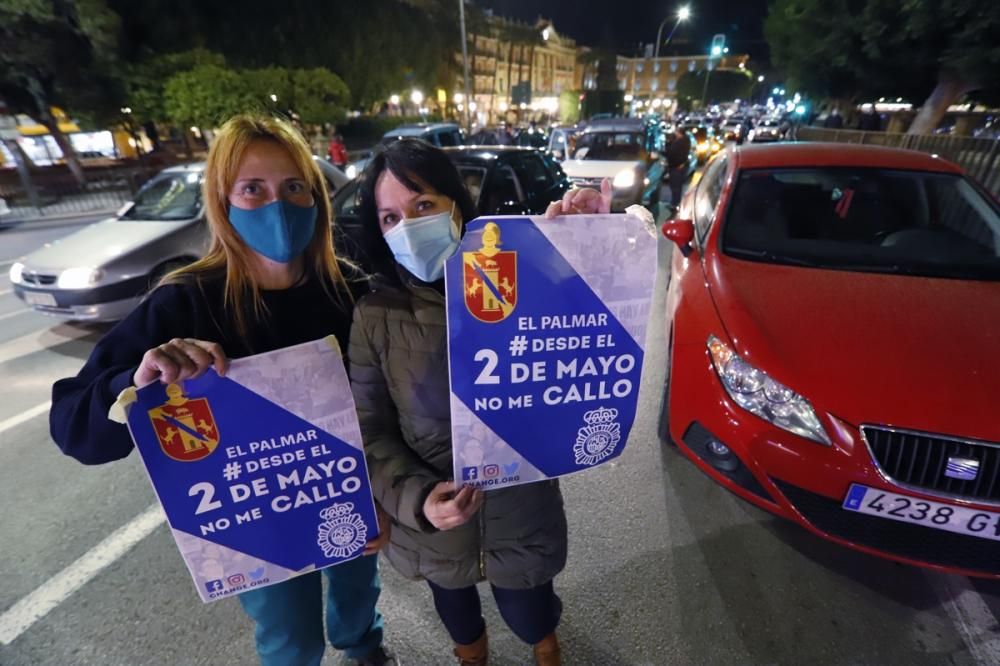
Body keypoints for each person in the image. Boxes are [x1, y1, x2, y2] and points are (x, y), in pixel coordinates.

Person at [49, 113, 397, 666]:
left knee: (358, 592)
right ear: (222, 201)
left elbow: (397, 397)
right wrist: (136, 383)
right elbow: (73, 427)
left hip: (348, 491)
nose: (277, 205)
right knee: (289, 634)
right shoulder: (183, 302)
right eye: (252, 189)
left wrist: (393, 492)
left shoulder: (352, 292)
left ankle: (365, 647)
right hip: (253, 513)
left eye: (293, 187)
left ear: (317, 198)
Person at [348, 138, 610, 666]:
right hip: (434, 532)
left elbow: (590, 332)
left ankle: (545, 646)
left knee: (532, 613)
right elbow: (369, 431)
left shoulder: (524, 277)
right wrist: (421, 500)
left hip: (521, 516)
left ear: (456, 204)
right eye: (390, 217)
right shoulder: (375, 316)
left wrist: (585, 240)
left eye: (423, 206)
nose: (409, 227)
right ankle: (473, 656)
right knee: (459, 619)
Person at [665, 126, 692, 211]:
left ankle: (674, 204)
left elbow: (671, 153)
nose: (675, 133)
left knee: (675, 186)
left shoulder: (679, 143)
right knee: (678, 186)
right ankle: (676, 203)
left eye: (676, 132)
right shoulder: (686, 141)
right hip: (681, 166)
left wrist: (668, 143)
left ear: (679, 133)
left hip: (676, 167)